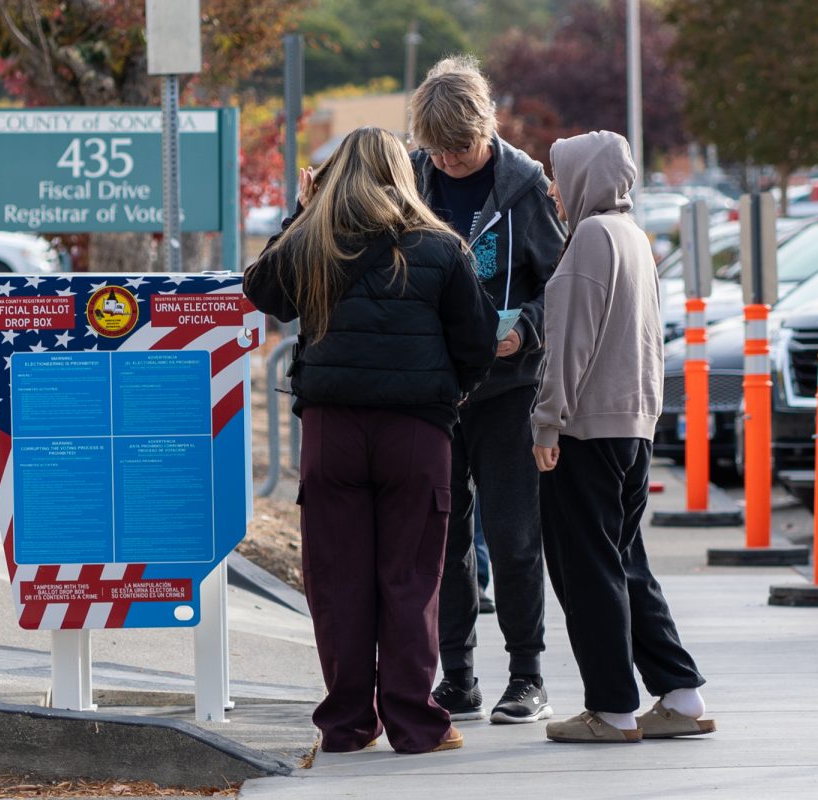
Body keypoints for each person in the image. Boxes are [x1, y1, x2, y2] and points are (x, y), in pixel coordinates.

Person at [243, 126, 498, 754]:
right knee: (411, 578)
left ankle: (347, 722)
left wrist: (301, 214)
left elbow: (262, 290)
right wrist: (448, 394)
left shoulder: (315, 242)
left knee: (338, 579)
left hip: (332, 430)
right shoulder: (441, 246)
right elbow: (478, 342)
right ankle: (415, 724)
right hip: (416, 432)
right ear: (403, 173)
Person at [531, 130, 715, 743]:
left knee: (586, 572)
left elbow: (569, 345)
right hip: (633, 428)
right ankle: (680, 693)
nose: (554, 189)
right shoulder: (634, 238)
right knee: (626, 564)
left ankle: (610, 708)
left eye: (560, 175)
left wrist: (546, 421)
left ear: (585, 177)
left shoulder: (588, 239)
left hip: (586, 429)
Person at [409, 55, 567, 724]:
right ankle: (458, 677)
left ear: (486, 129)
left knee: (512, 537)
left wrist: (525, 329)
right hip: (436, 391)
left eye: (459, 149)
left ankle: (527, 675)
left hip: (507, 390)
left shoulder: (526, 186)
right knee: (442, 538)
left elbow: (562, 285)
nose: (447, 161)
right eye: (436, 150)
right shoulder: (412, 179)